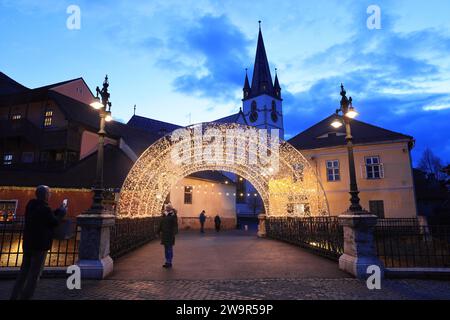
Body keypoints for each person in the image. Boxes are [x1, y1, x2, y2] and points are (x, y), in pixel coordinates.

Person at [10, 185, 65, 300]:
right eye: (49, 193)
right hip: (40, 246)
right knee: (34, 275)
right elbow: (54, 222)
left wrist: (55, 211)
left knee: (23, 271)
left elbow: (46, 216)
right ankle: (26, 297)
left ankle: (14, 296)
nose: (50, 195)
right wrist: (61, 213)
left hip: (28, 243)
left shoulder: (31, 205)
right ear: (45, 195)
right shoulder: (45, 209)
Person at [158, 203, 178, 268]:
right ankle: (167, 261)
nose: (167, 209)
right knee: (166, 249)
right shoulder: (164, 215)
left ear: (171, 209)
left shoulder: (173, 215)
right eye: (166, 208)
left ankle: (169, 262)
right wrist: (158, 231)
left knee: (169, 249)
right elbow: (161, 224)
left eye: (168, 208)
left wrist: (174, 232)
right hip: (164, 235)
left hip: (170, 234)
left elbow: (175, 225)